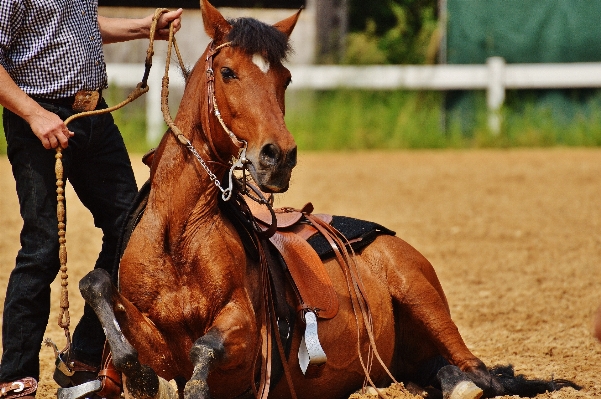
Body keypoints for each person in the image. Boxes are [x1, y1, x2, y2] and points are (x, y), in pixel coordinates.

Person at [0, 2, 182, 398]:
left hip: (93, 114)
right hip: (38, 118)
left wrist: (143, 27)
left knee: (130, 230)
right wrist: (33, 114)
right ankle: (15, 375)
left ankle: (82, 355)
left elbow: (78, 25)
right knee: (42, 246)